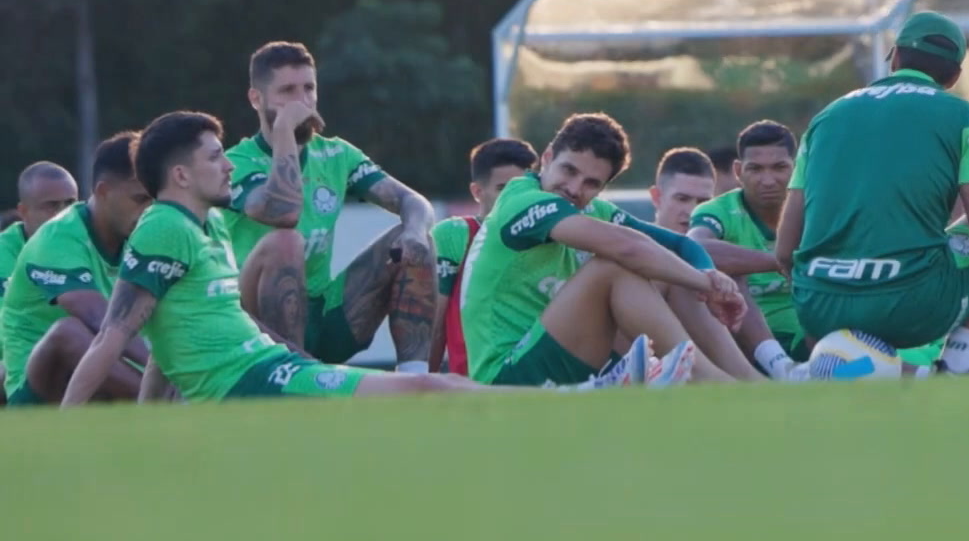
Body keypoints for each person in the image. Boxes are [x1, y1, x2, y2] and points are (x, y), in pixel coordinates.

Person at [61, 112, 573, 405]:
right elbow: (114, 334)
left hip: (271, 366)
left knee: (429, 386)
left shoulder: (206, 223)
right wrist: (67, 425)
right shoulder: (164, 228)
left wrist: (152, 426)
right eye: (214, 157)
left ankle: (568, 401)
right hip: (254, 380)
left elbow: (165, 345)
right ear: (180, 176)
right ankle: (570, 402)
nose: (227, 166)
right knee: (423, 387)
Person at [776, 11, 969, 376]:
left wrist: (836, 289)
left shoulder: (826, 118)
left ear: (895, 57)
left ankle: (864, 367)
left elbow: (784, 250)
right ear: (954, 76)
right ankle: (960, 355)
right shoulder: (965, 117)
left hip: (819, 309)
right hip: (914, 306)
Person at [459, 112, 756, 386]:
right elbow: (627, 248)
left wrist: (707, 274)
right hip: (508, 375)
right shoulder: (522, 199)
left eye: (591, 183)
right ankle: (708, 379)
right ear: (547, 158)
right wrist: (708, 285)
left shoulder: (593, 209)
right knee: (613, 266)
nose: (574, 188)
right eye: (569, 170)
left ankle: (750, 380)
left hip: (558, 352)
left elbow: (681, 244)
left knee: (672, 271)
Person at [219, 41, 438, 371]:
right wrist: (284, 131)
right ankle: (291, 376)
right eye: (287, 91)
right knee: (286, 241)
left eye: (309, 88)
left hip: (324, 313)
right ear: (256, 99)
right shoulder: (235, 163)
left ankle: (414, 377)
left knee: (416, 240)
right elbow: (284, 212)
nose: (302, 101)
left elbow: (412, 200)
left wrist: (415, 232)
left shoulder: (336, 153)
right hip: (256, 329)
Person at [2, 135, 152, 405]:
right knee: (68, 332)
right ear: (103, 191)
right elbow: (97, 316)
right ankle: (162, 400)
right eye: (140, 199)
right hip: (39, 390)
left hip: (100, 382)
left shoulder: (141, 234)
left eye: (154, 200)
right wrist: (158, 371)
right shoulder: (55, 238)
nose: (148, 210)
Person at [689, 121, 809, 377]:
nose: (768, 180)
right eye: (755, 169)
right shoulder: (719, 210)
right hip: (743, 345)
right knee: (726, 270)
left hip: (810, 336)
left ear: (798, 168)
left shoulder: (817, 208)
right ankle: (780, 367)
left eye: (779, 168)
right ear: (738, 171)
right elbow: (695, 246)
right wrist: (780, 260)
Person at [431, 138, 539, 374]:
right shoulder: (456, 234)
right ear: (477, 192)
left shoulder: (549, 237)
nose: (516, 197)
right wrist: (420, 385)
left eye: (525, 188)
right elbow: (434, 326)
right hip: (475, 381)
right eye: (503, 188)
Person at [0, 162, 78, 405]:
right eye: (51, 206)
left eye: (70, 203)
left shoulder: (87, 246)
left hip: (72, 357)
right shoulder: (4, 253)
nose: (64, 214)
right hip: (15, 361)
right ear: (23, 212)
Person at [652, 147, 718, 235]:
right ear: (657, 197)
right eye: (682, 199)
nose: (692, 212)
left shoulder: (727, 242)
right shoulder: (635, 243)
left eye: (703, 202)